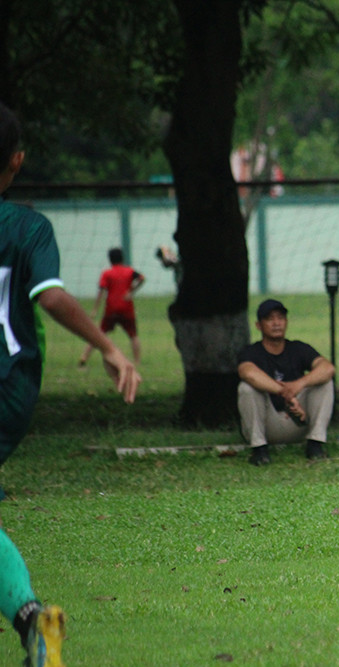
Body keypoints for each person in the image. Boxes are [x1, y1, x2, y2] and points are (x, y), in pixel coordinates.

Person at [0, 102, 141, 667]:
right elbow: (50, 295)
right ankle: (34, 623)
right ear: (17, 160)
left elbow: (53, 296)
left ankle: (32, 622)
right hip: (13, 385)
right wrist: (108, 349)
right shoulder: (29, 226)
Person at [237, 299, 336, 465]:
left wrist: (299, 385)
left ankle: (315, 444)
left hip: (298, 421)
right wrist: (285, 393)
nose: (276, 323)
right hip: (268, 423)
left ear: (286, 322)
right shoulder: (251, 352)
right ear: (259, 325)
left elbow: (327, 368)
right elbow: (247, 372)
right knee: (246, 388)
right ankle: (259, 450)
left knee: (325, 382)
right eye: (270, 319)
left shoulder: (298, 348)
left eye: (280, 318)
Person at [77, 247, 145, 366]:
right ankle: (137, 361)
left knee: (98, 334)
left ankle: (84, 357)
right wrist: (131, 291)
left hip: (111, 309)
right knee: (133, 336)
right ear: (122, 258)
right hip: (126, 308)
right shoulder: (129, 271)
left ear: (110, 259)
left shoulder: (107, 273)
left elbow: (101, 292)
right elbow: (142, 278)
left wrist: (95, 309)